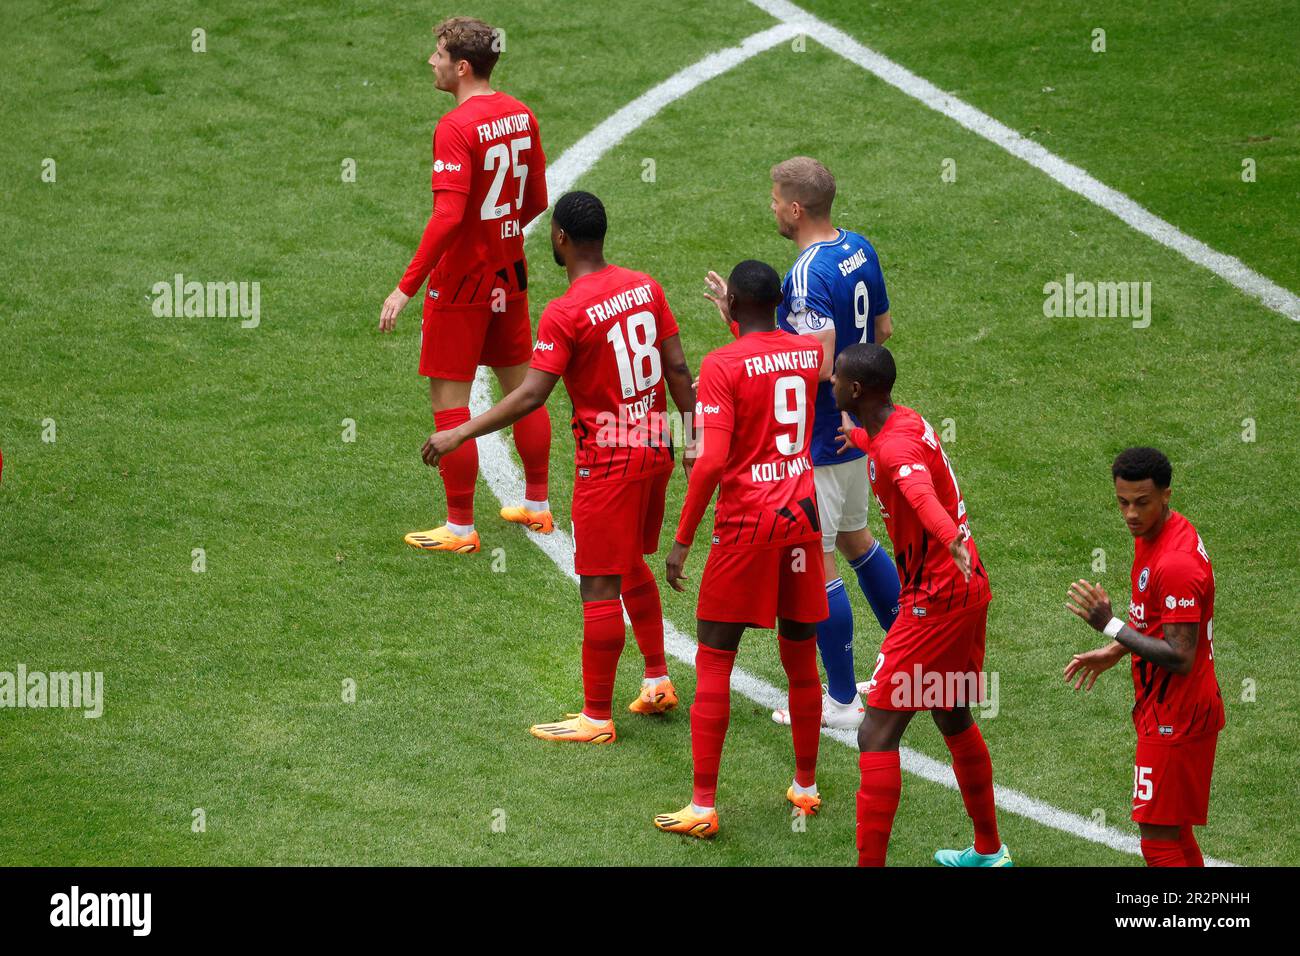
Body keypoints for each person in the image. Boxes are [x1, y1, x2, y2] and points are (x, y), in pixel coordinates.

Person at [422, 191, 696, 739]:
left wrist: (460, 430)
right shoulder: (647, 286)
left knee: (597, 585)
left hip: (610, 464)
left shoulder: (566, 311)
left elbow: (529, 396)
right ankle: (657, 679)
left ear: (562, 239)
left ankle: (596, 717)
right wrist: (692, 439)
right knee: (630, 566)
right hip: (656, 448)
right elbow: (678, 368)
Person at [705, 157, 899, 730]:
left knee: (819, 562)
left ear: (795, 208)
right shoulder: (859, 246)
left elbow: (813, 360)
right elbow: (882, 331)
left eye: (773, 199)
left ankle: (840, 699)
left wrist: (746, 336)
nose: (770, 207)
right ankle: (913, 658)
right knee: (860, 541)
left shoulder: (809, 272)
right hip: (858, 427)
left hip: (814, 436)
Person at [654, 260, 827, 839]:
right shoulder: (805, 353)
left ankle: (703, 805)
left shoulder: (721, 365)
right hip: (802, 520)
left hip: (748, 527)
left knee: (714, 659)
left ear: (732, 308)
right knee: (801, 658)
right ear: (778, 302)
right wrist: (740, 314)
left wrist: (681, 540)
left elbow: (710, 462)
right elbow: (769, 360)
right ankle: (806, 787)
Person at [832, 343, 1010, 867]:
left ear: (858, 390)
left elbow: (918, 494)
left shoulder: (896, 451)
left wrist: (947, 535)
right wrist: (859, 438)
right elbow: (896, 453)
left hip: (935, 600)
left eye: (838, 377)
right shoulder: (900, 423)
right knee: (951, 712)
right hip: (966, 588)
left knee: (875, 732)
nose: (832, 381)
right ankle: (989, 851)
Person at [379, 16, 552, 554]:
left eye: (436, 55)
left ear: (461, 66)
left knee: (451, 402)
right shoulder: (521, 113)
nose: (429, 62)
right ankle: (539, 506)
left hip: (460, 283)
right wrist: (499, 233)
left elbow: (448, 216)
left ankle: (459, 528)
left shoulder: (455, 127)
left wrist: (405, 287)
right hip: (511, 273)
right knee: (522, 389)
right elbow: (537, 200)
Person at [1064, 446, 1224, 867]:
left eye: (1141, 503)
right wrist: (1117, 649)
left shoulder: (1174, 563)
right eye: (1122, 502)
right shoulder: (1161, 534)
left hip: (1177, 714)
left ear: (1166, 495)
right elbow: (1159, 623)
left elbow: (1180, 655)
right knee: (1175, 829)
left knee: (1156, 839)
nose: (1130, 514)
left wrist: (1110, 626)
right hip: (1177, 707)